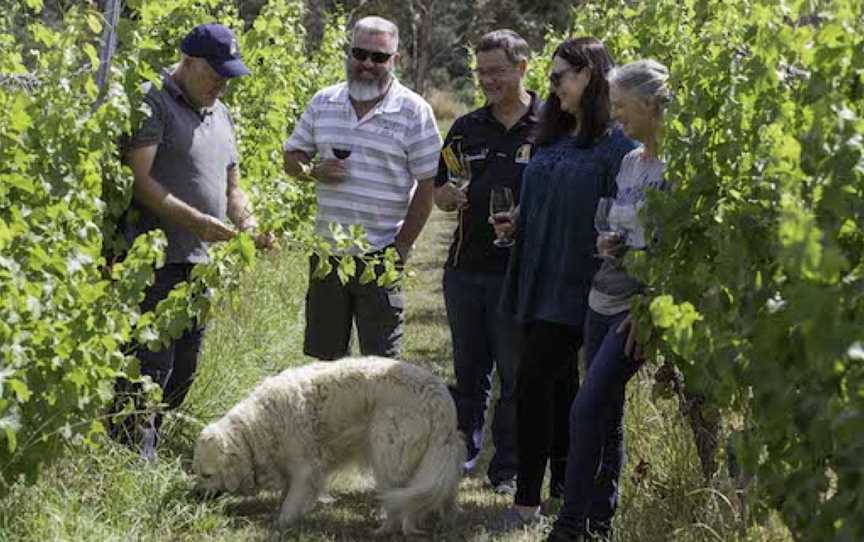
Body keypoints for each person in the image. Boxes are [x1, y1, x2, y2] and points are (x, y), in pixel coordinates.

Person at [494, 37, 637, 526]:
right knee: (557, 385)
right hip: (538, 272)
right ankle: (563, 487)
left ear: (589, 76)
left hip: (585, 284)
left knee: (534, 382)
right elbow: (544, 198)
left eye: (559, 78)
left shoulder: (620, 148)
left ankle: (527, 500)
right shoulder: (552, 137)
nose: (550, 88)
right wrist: (519, 218)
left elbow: (625, 220)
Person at [114, 23, 270, 460]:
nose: (222, 83)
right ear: (190, 62)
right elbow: (141, 182)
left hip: (200, 263)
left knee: (184, 367)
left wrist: (251, 225)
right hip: (155, 260)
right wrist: (199, 221)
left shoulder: (220, 112)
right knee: (149, 366)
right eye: (215, 73)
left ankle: (152, 447)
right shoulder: (154, 100)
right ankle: (131, 461)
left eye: (228, 75)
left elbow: (233, 187)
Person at [546, 59, 672, 542]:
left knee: (585, 409)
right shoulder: (630, 163)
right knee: (607, 414)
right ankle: (602, 522)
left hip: (633, 313)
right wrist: (609, 242)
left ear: (648, 104)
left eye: (621, 107)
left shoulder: (676, 168)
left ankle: (569, 525)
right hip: (602, 297)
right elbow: (624, 230)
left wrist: (651, 309)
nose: (616, 116)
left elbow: (678, 250)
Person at [283, 16, 441, 361]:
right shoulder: (323, 102)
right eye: (360, 53)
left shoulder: (415, 111)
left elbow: (429, 185)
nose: (367, 64)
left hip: (380, 255)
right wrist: (313, 171)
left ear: (395, 60)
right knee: (326, 362)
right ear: (349, 53)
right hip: (327, 255)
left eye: (379, 57)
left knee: (379, 366)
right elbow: (291, 158)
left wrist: (401, 248)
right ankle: (332, 418)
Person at [434, 29, 540, 495]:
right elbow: (439, 187)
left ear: (522, 67)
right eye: (481, 72)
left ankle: (508, 469)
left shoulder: (550, 126)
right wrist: (446, 197)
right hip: (464, 270)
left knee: (515, 376)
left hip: (519, 275)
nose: (487, 81)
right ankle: (462, 457)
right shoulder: (465, 127)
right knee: (469, 372)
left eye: (496, 71)